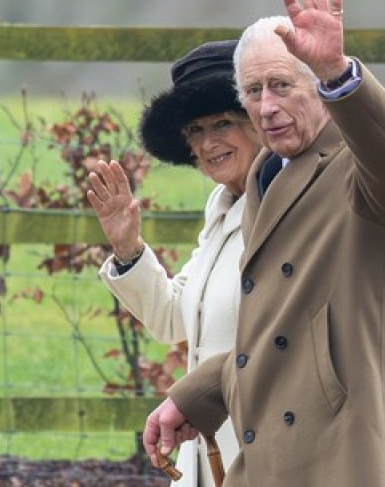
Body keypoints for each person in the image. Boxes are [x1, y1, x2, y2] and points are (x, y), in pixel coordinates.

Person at [142, 0, 385, 487]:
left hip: (341, 461)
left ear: (317, 87)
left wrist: (340, 73)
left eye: (281, 85)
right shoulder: (264, 176)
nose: (267, 106)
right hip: (264, 459)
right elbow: (276, 337)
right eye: (252, 91)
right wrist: (191, 397)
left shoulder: (358, 168)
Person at [86, 40, 261, 487]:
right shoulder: (221, 207)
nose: (207, 143)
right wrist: (127, 247)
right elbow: (173, 320)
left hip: (262, 451)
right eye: (194, 131)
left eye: (223, 123)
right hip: (204, 453)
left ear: (258, 123)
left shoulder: (288, 208)